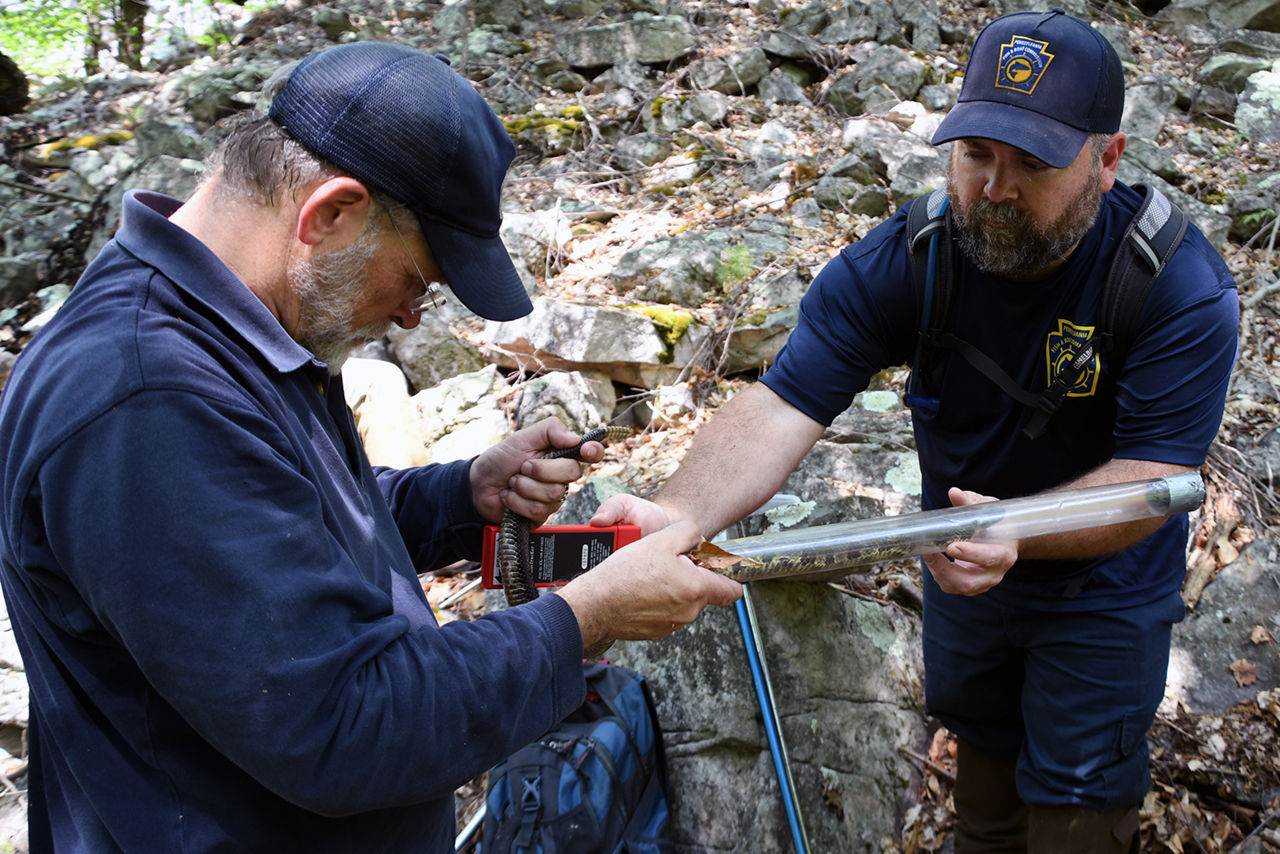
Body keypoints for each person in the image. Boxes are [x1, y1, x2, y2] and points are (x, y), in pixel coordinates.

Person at [0, 42, 741, 852]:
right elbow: (346, 727)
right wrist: (586, 618)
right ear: (331, 213)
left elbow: (276, 524)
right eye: (417, 280)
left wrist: (458, 498)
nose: (414, 316)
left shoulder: (228, 333)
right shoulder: (146, 399)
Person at [593, 10, 1238, 852]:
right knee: (984, 779)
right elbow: (784, 402)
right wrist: (679, 513)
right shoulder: (913, 257)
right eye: (976, 155)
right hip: (960, 564)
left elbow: (1155, 479)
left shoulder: (1173, 285)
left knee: (1080, 804)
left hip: (1102, 587)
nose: (994, 190)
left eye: (1032, 163)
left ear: (1107, 159)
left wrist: (1010, 529)